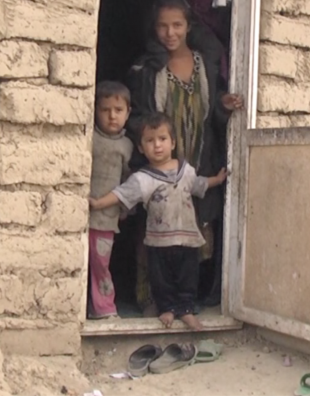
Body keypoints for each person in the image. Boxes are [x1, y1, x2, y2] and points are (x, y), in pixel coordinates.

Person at [126, 0, 243, 315]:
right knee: (156, 229)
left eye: (177, 25)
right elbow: (137, 115)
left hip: (197, 157)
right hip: (159, 162)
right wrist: (154, 150)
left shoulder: (204, 64)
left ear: (189, 26)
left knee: (194, 232)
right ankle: (151, 298)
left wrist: (223, 105)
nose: (170, 33)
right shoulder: (148, 67)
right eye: (162, 26)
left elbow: (209, 111)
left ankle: (186, 301)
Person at [89, 112, 228, 330]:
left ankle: (186, 310)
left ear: (173, 143)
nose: (157, 145)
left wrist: (217, 180)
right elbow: (121, 193)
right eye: (150, 141)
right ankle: (167, 309)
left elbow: (198, 184)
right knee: (161, 279)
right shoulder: (142, 178)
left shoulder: (185, 170)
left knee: (188, 277)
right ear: (141, 148)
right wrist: (98, 203)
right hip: (158, 241)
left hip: (187, 238)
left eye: (162, 139)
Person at [87, 81, 134, 320]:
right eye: (105, 110)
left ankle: (104, 307)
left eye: (118, 110)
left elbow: (128, 182)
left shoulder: (127, 146)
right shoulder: (88, 138)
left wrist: (124, 209)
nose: (112, 116)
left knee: (100, 263)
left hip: (107, 218)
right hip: (80, 214)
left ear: (128, 113)